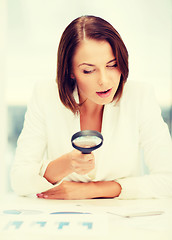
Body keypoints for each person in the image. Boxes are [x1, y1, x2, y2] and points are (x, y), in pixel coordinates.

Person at [11, 15, 172, 199]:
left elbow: (168, 181)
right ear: (70, 71)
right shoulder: (45, 95)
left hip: (123, 221)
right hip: (66, 217)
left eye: (112, 65)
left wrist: (91, 190)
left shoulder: (140, 96)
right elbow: (19, 180)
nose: (104, 80)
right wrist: (65, 164)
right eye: (88, 70)